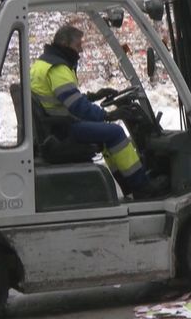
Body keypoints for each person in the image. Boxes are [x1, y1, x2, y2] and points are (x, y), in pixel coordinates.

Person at [30, 24, 168, 199]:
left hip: (56, 123)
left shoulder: (43, 63)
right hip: (63, 128)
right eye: (77, 45)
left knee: (105, 136)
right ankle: (141, 186)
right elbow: (76, 106)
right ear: (65, 44)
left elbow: (63, 99)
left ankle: (129, 183)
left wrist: (94, 96)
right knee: (115, 133)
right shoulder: (57, 68)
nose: (80, 50)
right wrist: (107, 115)